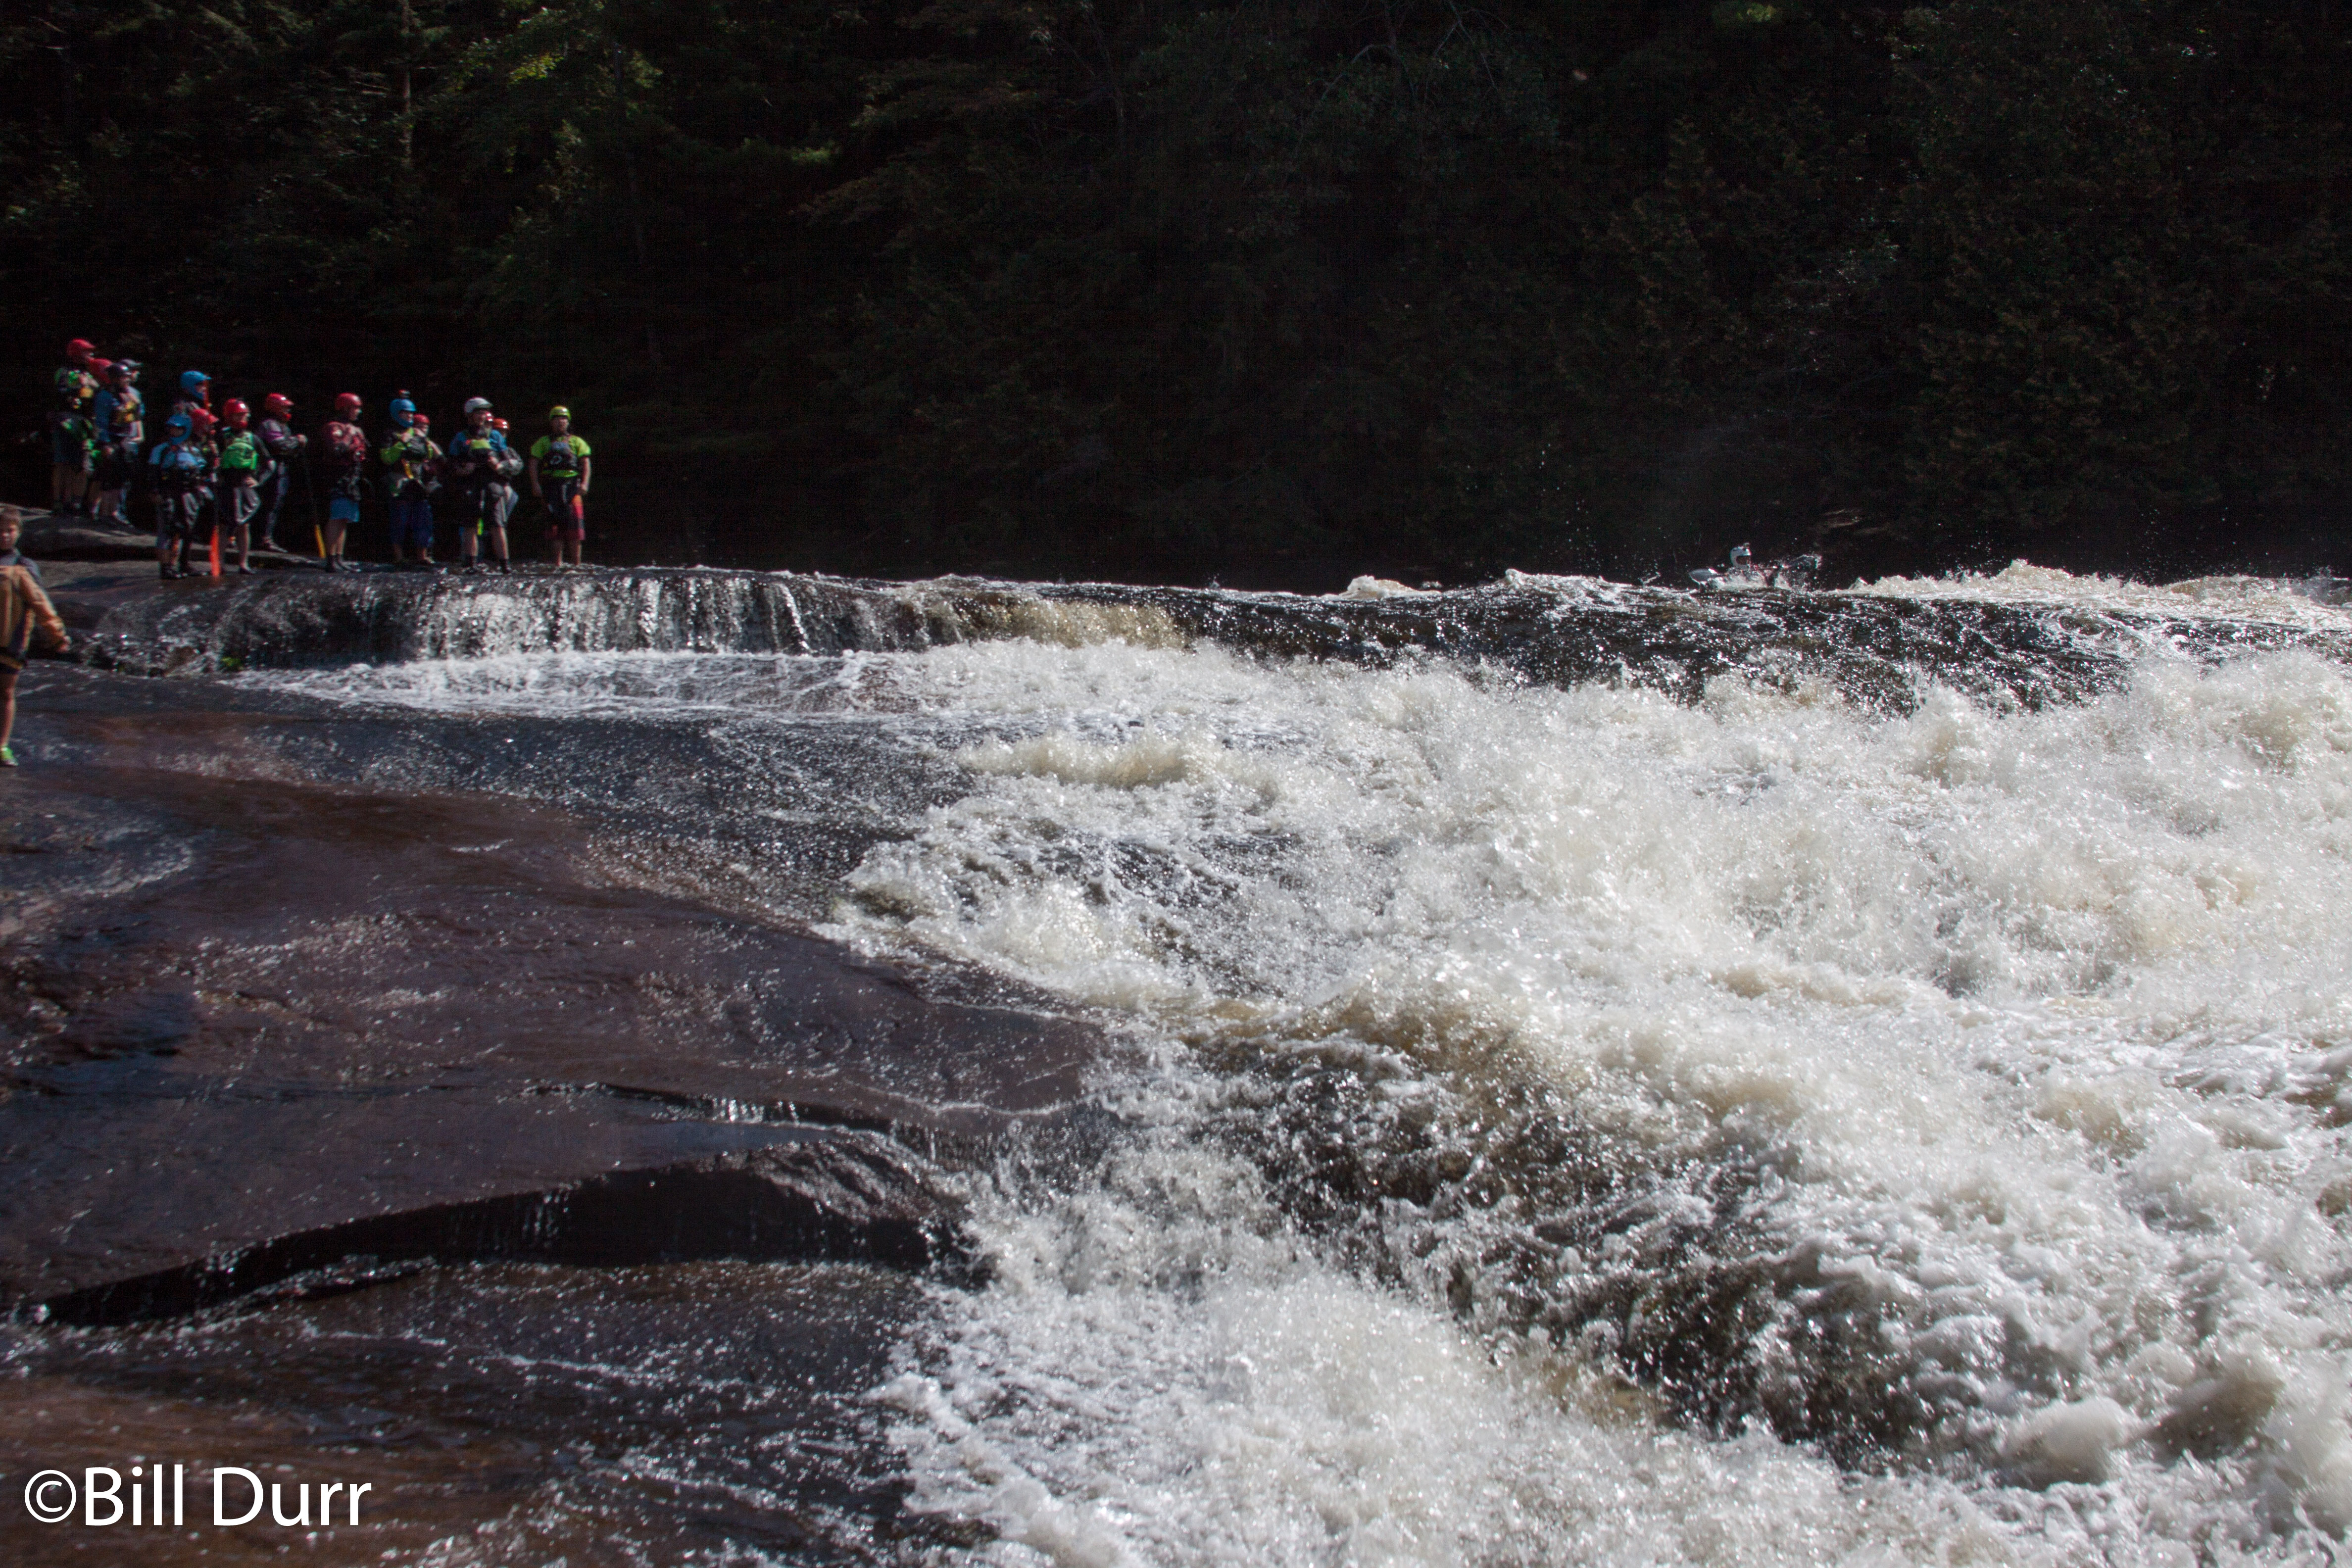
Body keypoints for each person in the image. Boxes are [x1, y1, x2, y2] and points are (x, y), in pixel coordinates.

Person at [0, 506, 70, 768]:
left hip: (10, 641)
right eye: (0, 531)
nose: (5, 536)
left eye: (10, 530)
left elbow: (41, 603)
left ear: (19, 532)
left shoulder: (23, 567)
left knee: (6, 692)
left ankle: (2, 746)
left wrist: (57, 634)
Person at [442, 396, 515, 571]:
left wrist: (499, 465)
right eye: (479, 413)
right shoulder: (461, 438)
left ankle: (505, 565)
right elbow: (450, 464)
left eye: (485, 413)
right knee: (470, 525)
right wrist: (463, 470)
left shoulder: (495, 436)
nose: (483, 416)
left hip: (492, 483)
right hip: (471, 483)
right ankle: (471, 563)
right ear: (470, 415)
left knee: (498, 524)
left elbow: (509, 460)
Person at [147, 411, 213, 579]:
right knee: (168, 530)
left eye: (178, 429)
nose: (174, 431)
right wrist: (155, 491)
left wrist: (213, 456)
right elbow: (153, 473)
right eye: (171, 428)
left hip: (190, 495)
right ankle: (166, 567)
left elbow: (204, 472)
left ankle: (184, 564)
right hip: (169, 493)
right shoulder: (161, 450)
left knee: (187, 530)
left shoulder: (194, 451)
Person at [378, 394, 439, 567]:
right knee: (399, 519)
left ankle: (422, 555)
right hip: (399, 482)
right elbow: (387, 458)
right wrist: (402, 444)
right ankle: (398, 556)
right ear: (397, 413)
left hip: (418, 483)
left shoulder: (417, 434)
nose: (410, 416)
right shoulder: (390, 434)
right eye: (406, 413)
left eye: (412, 413)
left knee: (423, 519)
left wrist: (425, 442)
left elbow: (429, 455)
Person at [529, 405, 592, 567]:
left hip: (572, 487)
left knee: (575, 530)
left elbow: (586, 463)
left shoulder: (577, 442)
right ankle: (558, 565)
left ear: (568, 422)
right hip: (551, 488)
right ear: (552, 422)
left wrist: (585, 483)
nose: (561, 422)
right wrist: (536, 484)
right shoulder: (544, 442)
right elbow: (533, 462)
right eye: (557, 419)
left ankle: (577, 566)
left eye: (564, 419)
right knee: (555, 529)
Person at [91, 359, 145, 527]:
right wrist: (105, 444)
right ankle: (104, 512)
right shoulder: (105, 395)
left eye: (128, 376)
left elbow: (136, 415)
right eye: (124, 377)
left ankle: (114, 512)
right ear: (115, 378)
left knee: (121, 478)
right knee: (110, 478)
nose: (128, 379)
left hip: (125, 439)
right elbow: (101, 422)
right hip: (111, 440)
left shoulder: (129, 395)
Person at [50, 340, 99, 517]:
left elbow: (95, 396)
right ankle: (57, 502)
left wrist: (93, 385)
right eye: (87, 352)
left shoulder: (89, 373)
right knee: (61, 463)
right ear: (77, 353)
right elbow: (60, 392)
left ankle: (69, 501)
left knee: (74, 464)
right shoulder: (64, 372)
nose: (91, 356)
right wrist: (80, 386)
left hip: (81, 423)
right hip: (64, 420)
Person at [214, 399, 263, 574]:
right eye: (238, 415)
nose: (243, 418)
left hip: (244, 486)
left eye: (244, 415)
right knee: (222, 526)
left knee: (245, 525)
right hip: (226, 485)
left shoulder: (252, 438)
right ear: (229, 417)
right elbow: (209, 459)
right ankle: (219, 564)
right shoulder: (220, 437)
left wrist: (258, 480)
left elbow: (269, 462)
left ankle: (244, 563)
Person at [320, 392, 367, 571]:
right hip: (338, 477)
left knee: (345, 519)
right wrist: (349, 436)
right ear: (346, 409)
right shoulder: (335, 427)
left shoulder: (356, 429)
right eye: (355, 408)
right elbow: (336, 449)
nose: (358, 412)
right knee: (337, 517)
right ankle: (330, 559)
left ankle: (340, 558)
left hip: (352, 478)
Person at [253, 393, 306, 552]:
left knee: (276, 504)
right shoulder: (269, 425)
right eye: (285, 407)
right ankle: (262, 539)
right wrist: (298, 441)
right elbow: (280, 445)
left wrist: (297, 446)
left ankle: (266, 537)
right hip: (268, 470)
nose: (288, 410)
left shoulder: (283, 426)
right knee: (268, 504)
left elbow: (289, 451)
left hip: (281, 469)